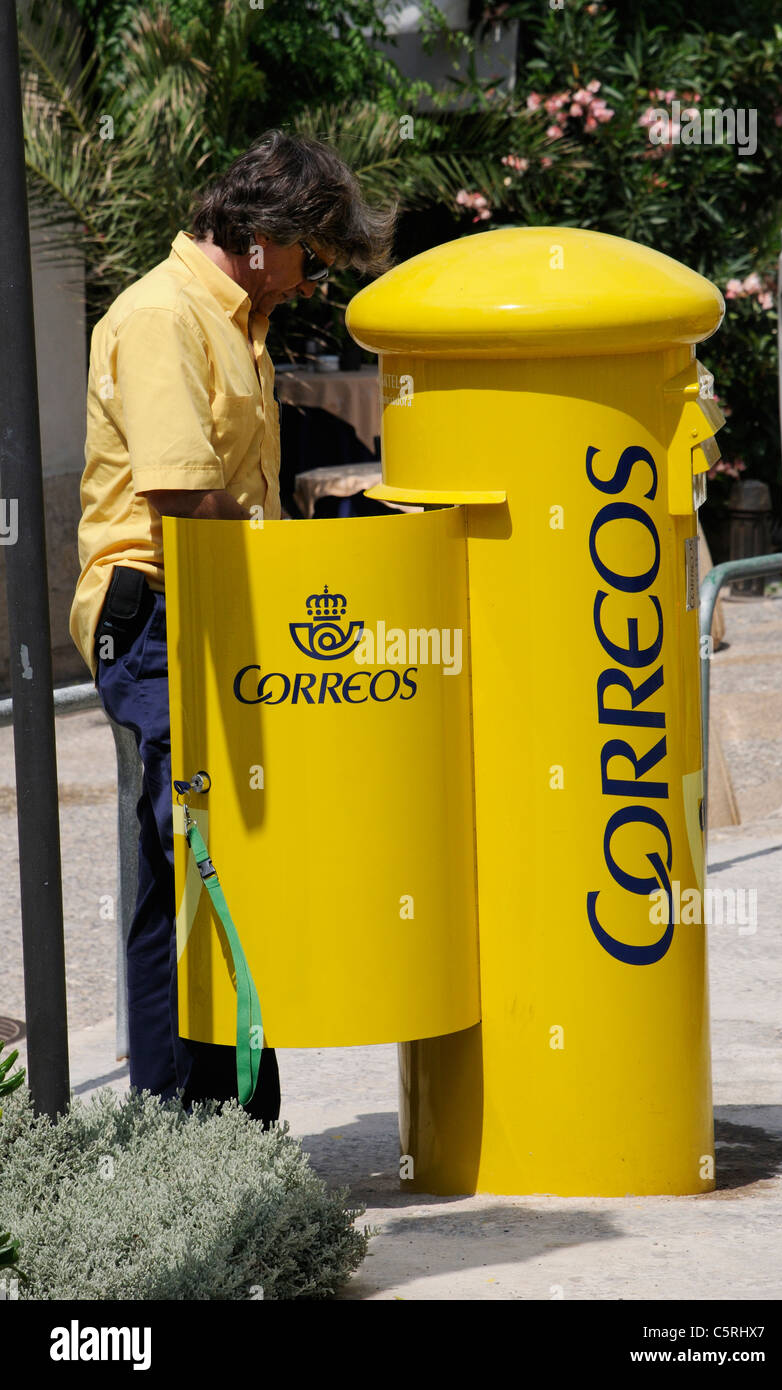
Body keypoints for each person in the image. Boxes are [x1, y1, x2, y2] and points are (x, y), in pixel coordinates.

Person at [69, 130, 395, 1125]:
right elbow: (178, 493)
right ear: (260, 235)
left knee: (212, 862)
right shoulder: (164, 316)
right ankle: (193, 1129)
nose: (307, 281)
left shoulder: (234, 318)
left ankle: (225, 1119)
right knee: (195, 864)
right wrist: (299, 558)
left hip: (209, 600)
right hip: (159, 603)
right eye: (307, 255)